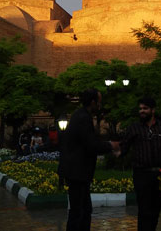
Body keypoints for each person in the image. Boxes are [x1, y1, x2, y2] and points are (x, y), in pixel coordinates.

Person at [58, 88, 119, 231]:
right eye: (99, 101)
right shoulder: (83, 118)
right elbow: (91, 144)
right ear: (93, 102)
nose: (100, 105)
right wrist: (110, 145)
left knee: (83, 211)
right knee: (79, 212)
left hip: (78, 173)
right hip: (77, 173)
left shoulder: (80, 115)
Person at [120, 96, 161, 231]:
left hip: (159, 175)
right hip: (141, 174)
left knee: (156, 210)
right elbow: (123, 147)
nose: (142, 111)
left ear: (153, 110)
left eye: (145, 108)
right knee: (144, 211)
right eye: (140, 109)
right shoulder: (134, 128)